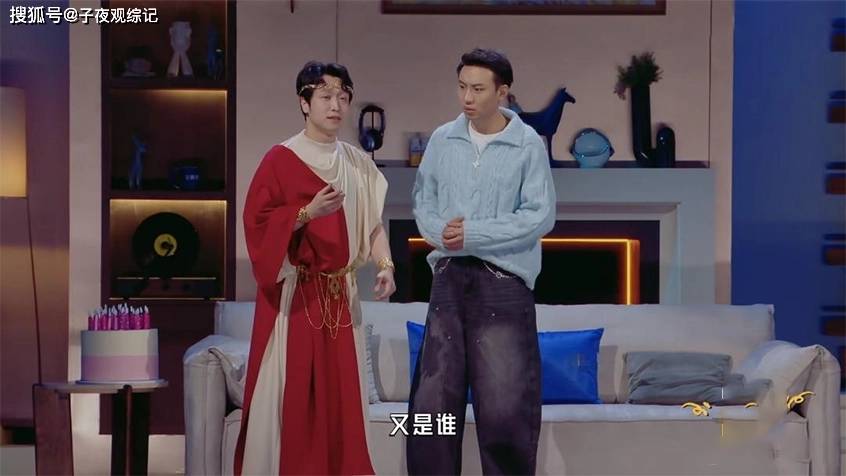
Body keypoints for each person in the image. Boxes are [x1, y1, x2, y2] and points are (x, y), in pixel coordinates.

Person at [236, 61, 396, 476]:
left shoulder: (357, 162)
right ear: (304, 103)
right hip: (297, 297)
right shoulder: (281, 159)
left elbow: (373, 225)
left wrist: (385, 264)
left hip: (342, 298)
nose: (336, 105)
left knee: (343, 401)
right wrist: (307, 213)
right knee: (296, 399)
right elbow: (258, 224)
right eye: (325, 96)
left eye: (343, 96)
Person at [407, 48, 556, 475]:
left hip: (503, 283)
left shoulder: (527, 144)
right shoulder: (442, 139)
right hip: (449, 278)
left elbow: (539, 215)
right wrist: (442, 234)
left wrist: (473, 235)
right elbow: (423, 201)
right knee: (432, 408)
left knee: (505, 409)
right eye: (461, 87)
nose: (467, 98)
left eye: (477, 89)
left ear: (502, 92)